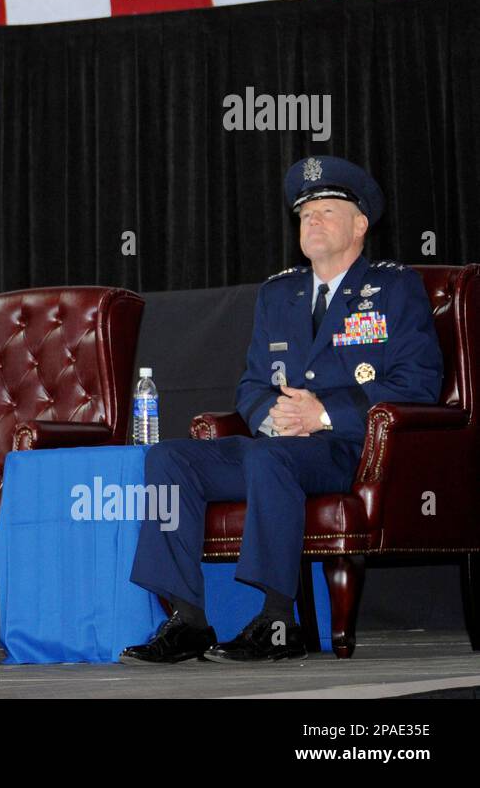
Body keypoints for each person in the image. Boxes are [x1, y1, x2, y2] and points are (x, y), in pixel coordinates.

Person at [121, 156, 443, 664]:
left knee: (270, 460)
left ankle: (278, 621)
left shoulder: (393, 288)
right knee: (168, 460)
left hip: (348, 449)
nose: (311, 219)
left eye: (326, 210)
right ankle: (187, 619)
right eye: (304, 213)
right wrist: (268, 415)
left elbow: (419, 384)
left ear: (360, 225)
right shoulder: (279, 293)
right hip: (277, 447)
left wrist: (324, 414)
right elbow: (251, 383)